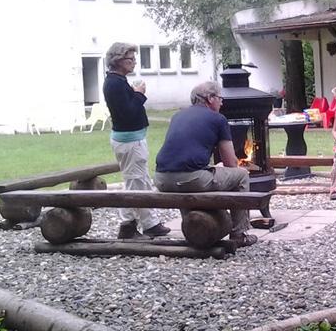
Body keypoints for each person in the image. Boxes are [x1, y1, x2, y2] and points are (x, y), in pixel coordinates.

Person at [154, 81, 258, 249]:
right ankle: (239, 234)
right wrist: (223, 169)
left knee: (193, 177)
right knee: (241, 176)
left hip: (161, 179)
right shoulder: (218, 119)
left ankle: (194, 225)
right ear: (210, 98)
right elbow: (232, 163)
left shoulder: (177, 116)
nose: (222, 102)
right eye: (219, 98)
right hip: (192, 179)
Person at [102, 42, 170, 240]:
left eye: (134, 59)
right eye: (130, 59)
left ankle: (148, 224)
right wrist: (139, 94)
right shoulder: (115, 84)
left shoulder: (118, 81)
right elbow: (129, 113)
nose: (134, 63)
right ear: (118, 60)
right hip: (130, 142)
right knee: (135, 183)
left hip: (133, 139)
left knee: (139, 182)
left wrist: (133, 93)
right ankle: (129, 227)